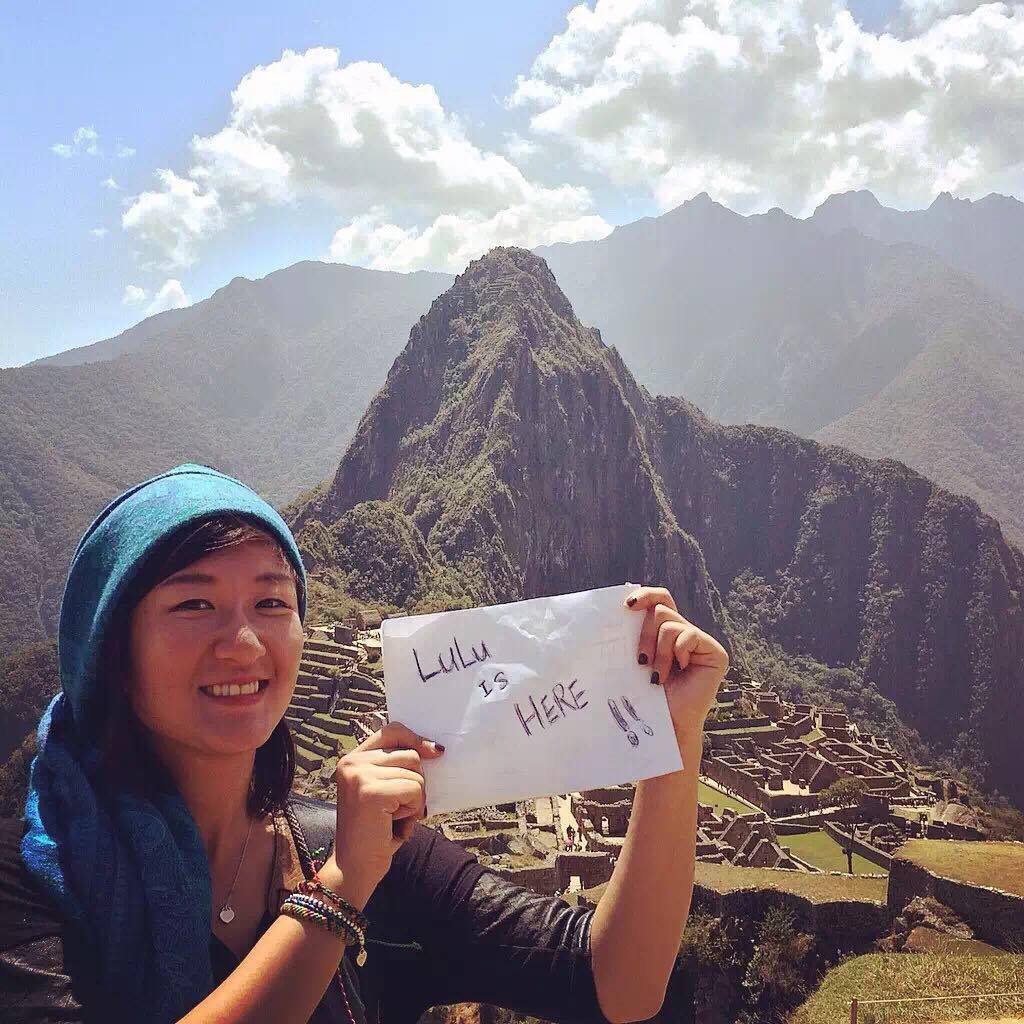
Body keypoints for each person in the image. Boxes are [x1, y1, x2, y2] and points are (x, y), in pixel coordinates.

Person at [0, 464, 729, 1024]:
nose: (244, 641)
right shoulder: (32, 887)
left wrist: (671, 740)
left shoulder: (365, 850)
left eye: (271, 601)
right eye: (194, 604)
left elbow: (617, 983)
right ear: (111, 650)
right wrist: (339, 890)